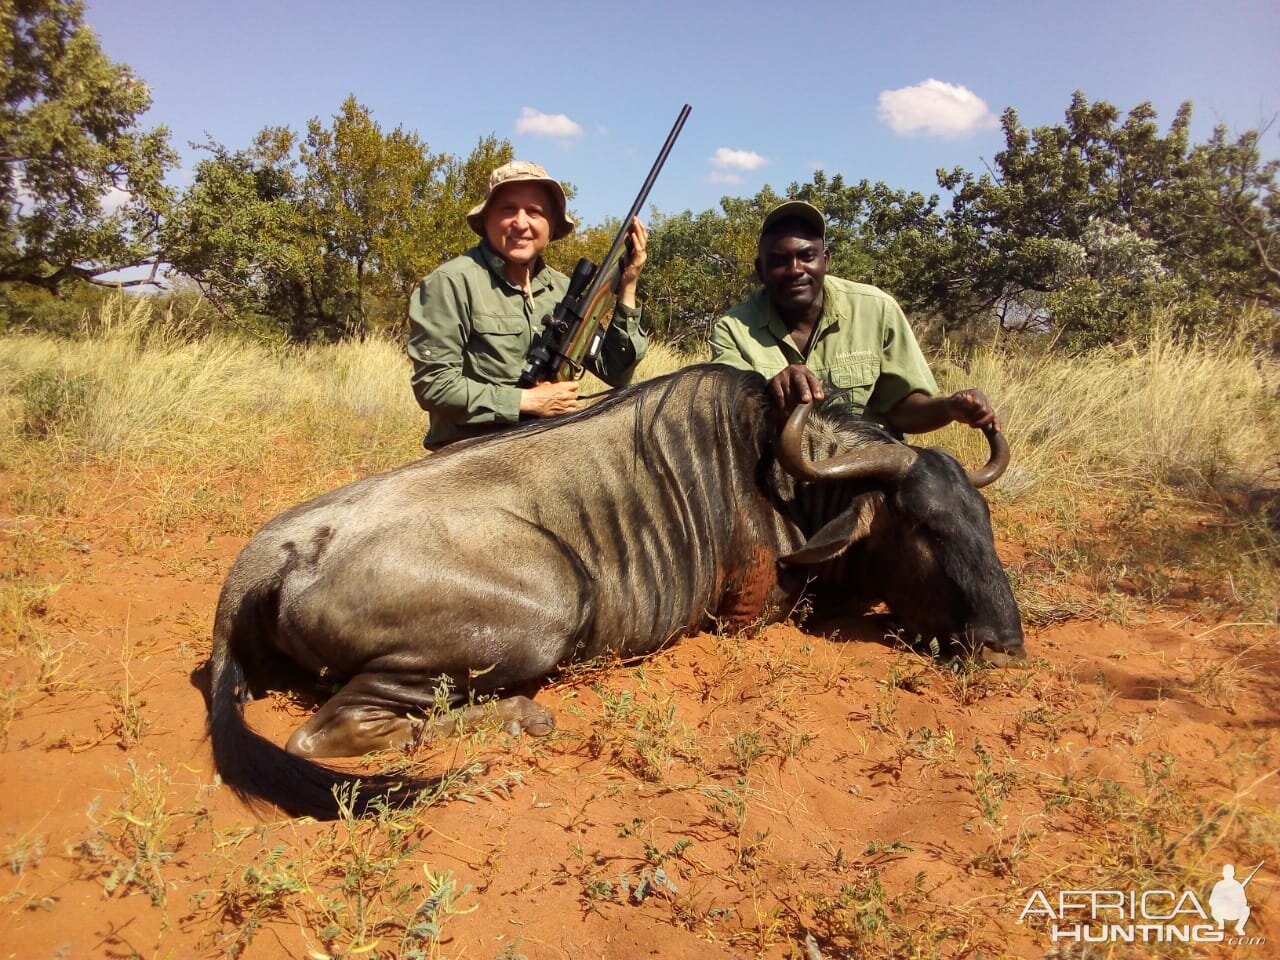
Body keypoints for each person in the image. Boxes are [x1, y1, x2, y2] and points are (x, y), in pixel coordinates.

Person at [408, 160, 649, 450]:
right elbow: (434, 386)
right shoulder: (450, 283)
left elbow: (616, 371)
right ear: (487, 220)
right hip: (472, 457)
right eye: (508, 209)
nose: (521, 223)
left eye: (534, 212)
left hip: (547, 449)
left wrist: (628, 285)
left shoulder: (565, 290)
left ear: (552, 227)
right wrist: (528, 401)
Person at [710, 200, 998, 436]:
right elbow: (731, 418)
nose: (795, 269)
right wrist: (770, 388)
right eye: (779, 261)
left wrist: (949, 408)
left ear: (826, 260)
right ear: (760, 270)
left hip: (867, 469)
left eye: (807, 256)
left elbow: (902, 411)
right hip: (778, 472)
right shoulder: (733, 329)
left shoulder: (877, 308)